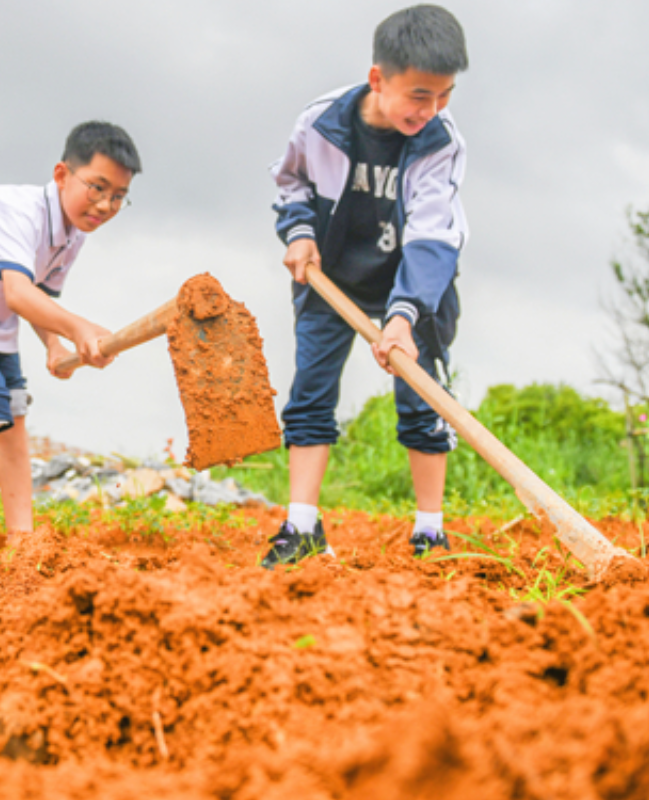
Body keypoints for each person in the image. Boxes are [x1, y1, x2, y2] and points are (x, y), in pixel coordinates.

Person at [264, 4, 469, 568]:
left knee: (424, 402)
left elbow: (432, 236)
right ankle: (301, 526)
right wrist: (300, 233)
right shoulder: (321, 121)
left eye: (445, 95)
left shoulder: (439, 141)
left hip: (414, 283)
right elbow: (292, 183)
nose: (431, 110)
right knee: (310, 395)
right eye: (419, 95)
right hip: (332, 280)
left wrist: (403, 316)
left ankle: (430, 531)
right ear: (379, 79)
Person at [0, 121, 139, 551]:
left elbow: (40, 296)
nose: (106, 205)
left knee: (12, 414)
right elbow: (19, 293)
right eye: (97, 188)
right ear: (61, 175)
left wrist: (54, 344)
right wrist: (78, 327)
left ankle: (22, 537)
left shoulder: (73, 233)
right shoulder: (21, 213)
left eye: (119, 197)